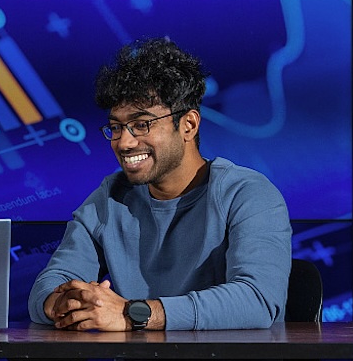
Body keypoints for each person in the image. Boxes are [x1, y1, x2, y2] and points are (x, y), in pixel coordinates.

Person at [28, 37, 292, 336]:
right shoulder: (112, 196)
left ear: (189, 125)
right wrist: (64, 301)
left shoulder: (247, 193)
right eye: (116, 127)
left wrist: (133, 314)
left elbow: (257, 301)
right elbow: (52, 283)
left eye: (142, 125)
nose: (124, 143)